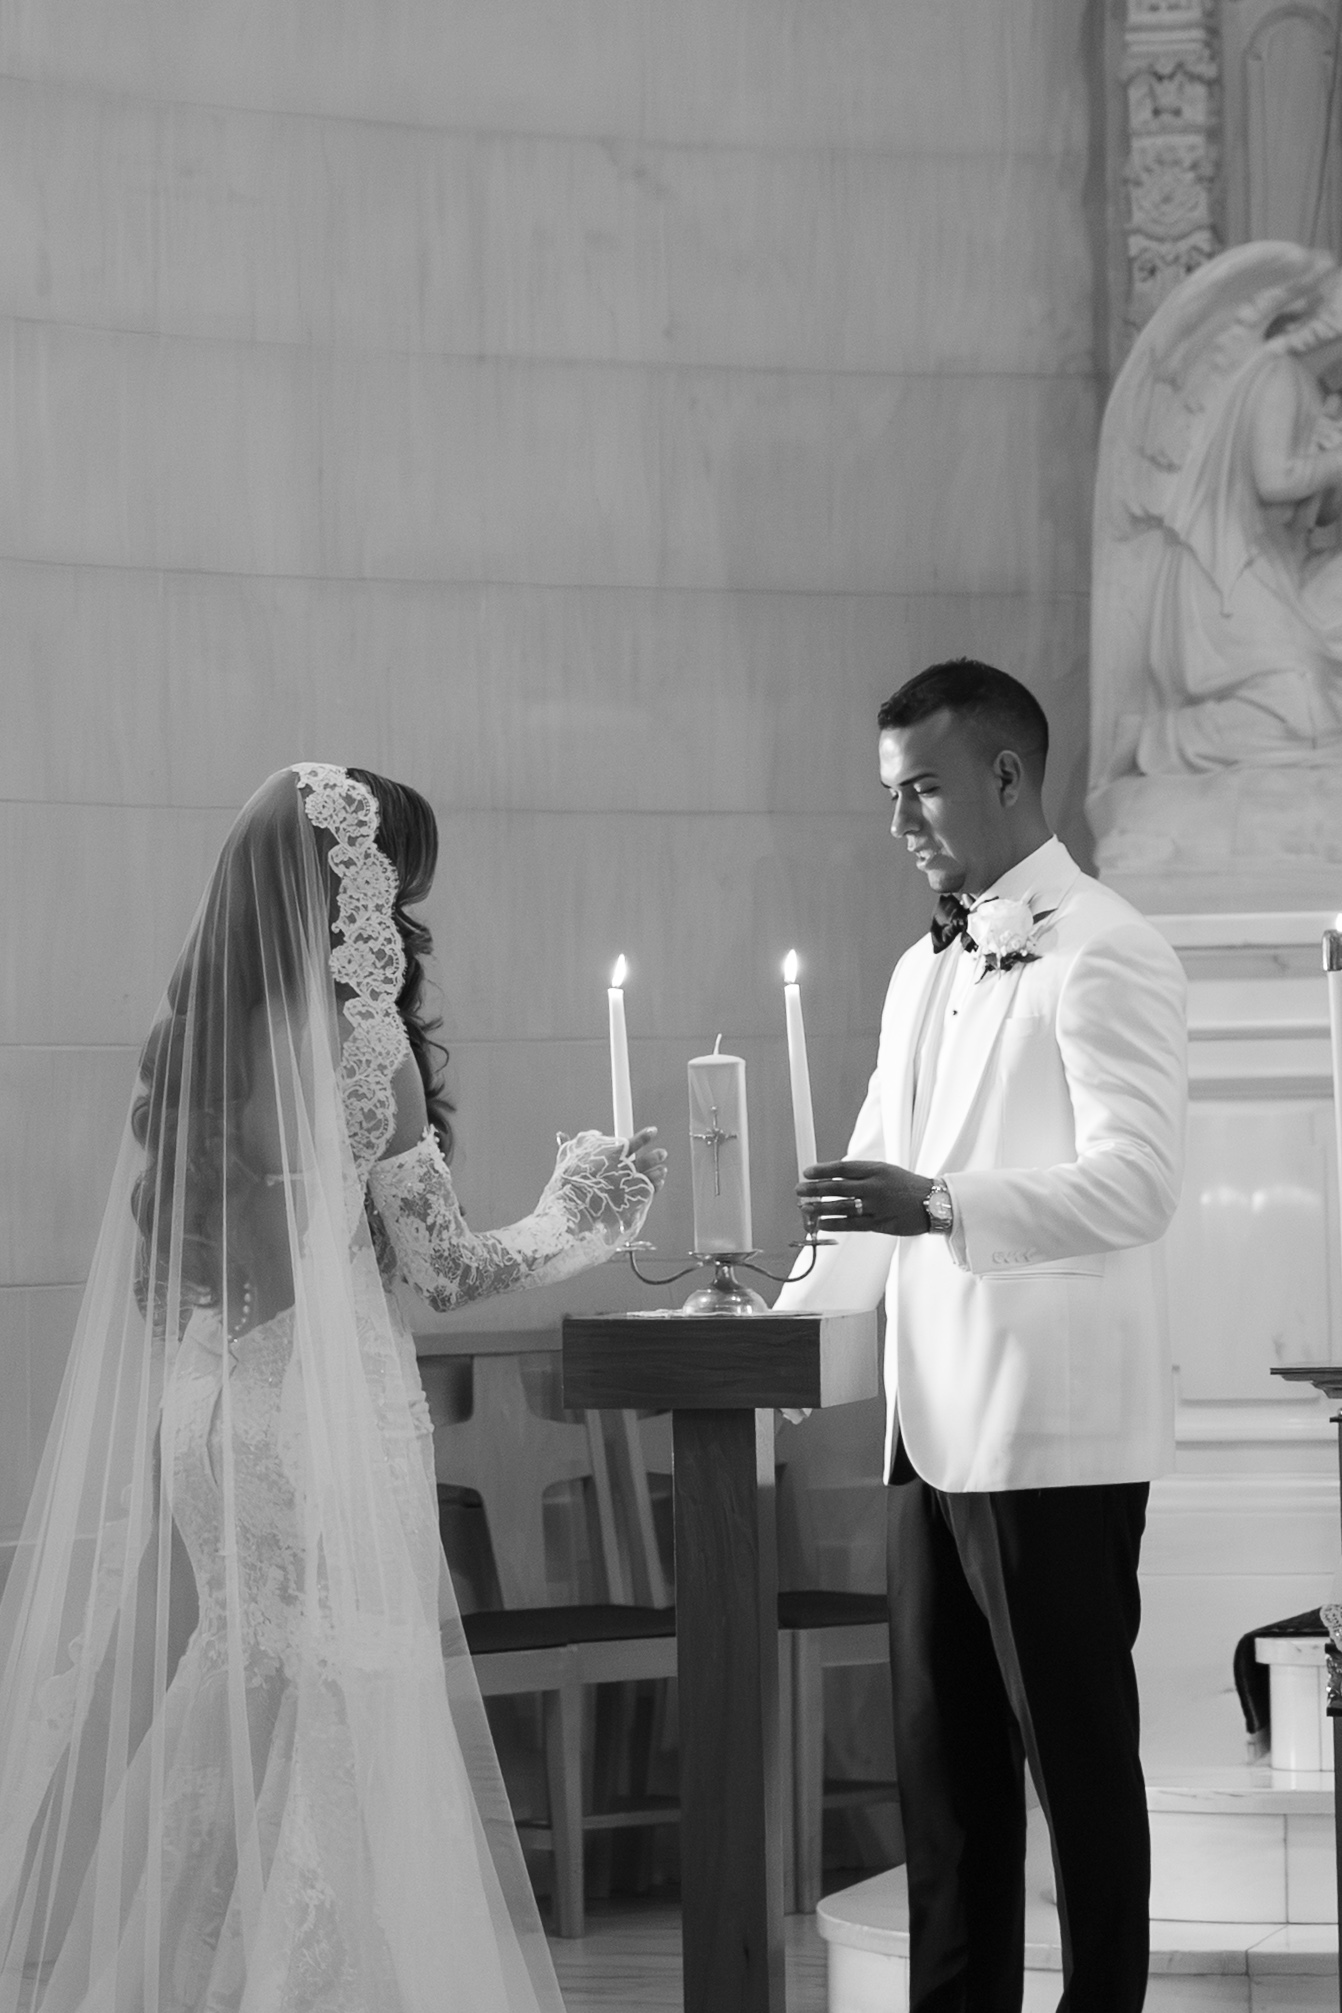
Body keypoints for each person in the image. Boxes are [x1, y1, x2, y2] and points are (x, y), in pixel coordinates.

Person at [0, 762, 666, 2013]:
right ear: (347, 887)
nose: (398, 915)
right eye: (389, 883)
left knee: (244, 1689)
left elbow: (195, 1272)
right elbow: (447, 1270)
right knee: (353, 1705)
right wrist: (577, 1215)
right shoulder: (359, 1048)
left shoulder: (193, 1039)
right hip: (327, 1421)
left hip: (217, 1411)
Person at [775, 662, 1187, 2013]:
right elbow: (866, 1181)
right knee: (943, 1790)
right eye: (889, 798)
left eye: (921, 792)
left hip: (1052, 1434)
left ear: (1008, 776)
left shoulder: (1107, 946)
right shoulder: (918, 967)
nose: (900, 826)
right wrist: (764, 1356)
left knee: (1076, 1770)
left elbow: (1136, 1183)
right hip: (927, 1429)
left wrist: (942, 1206)